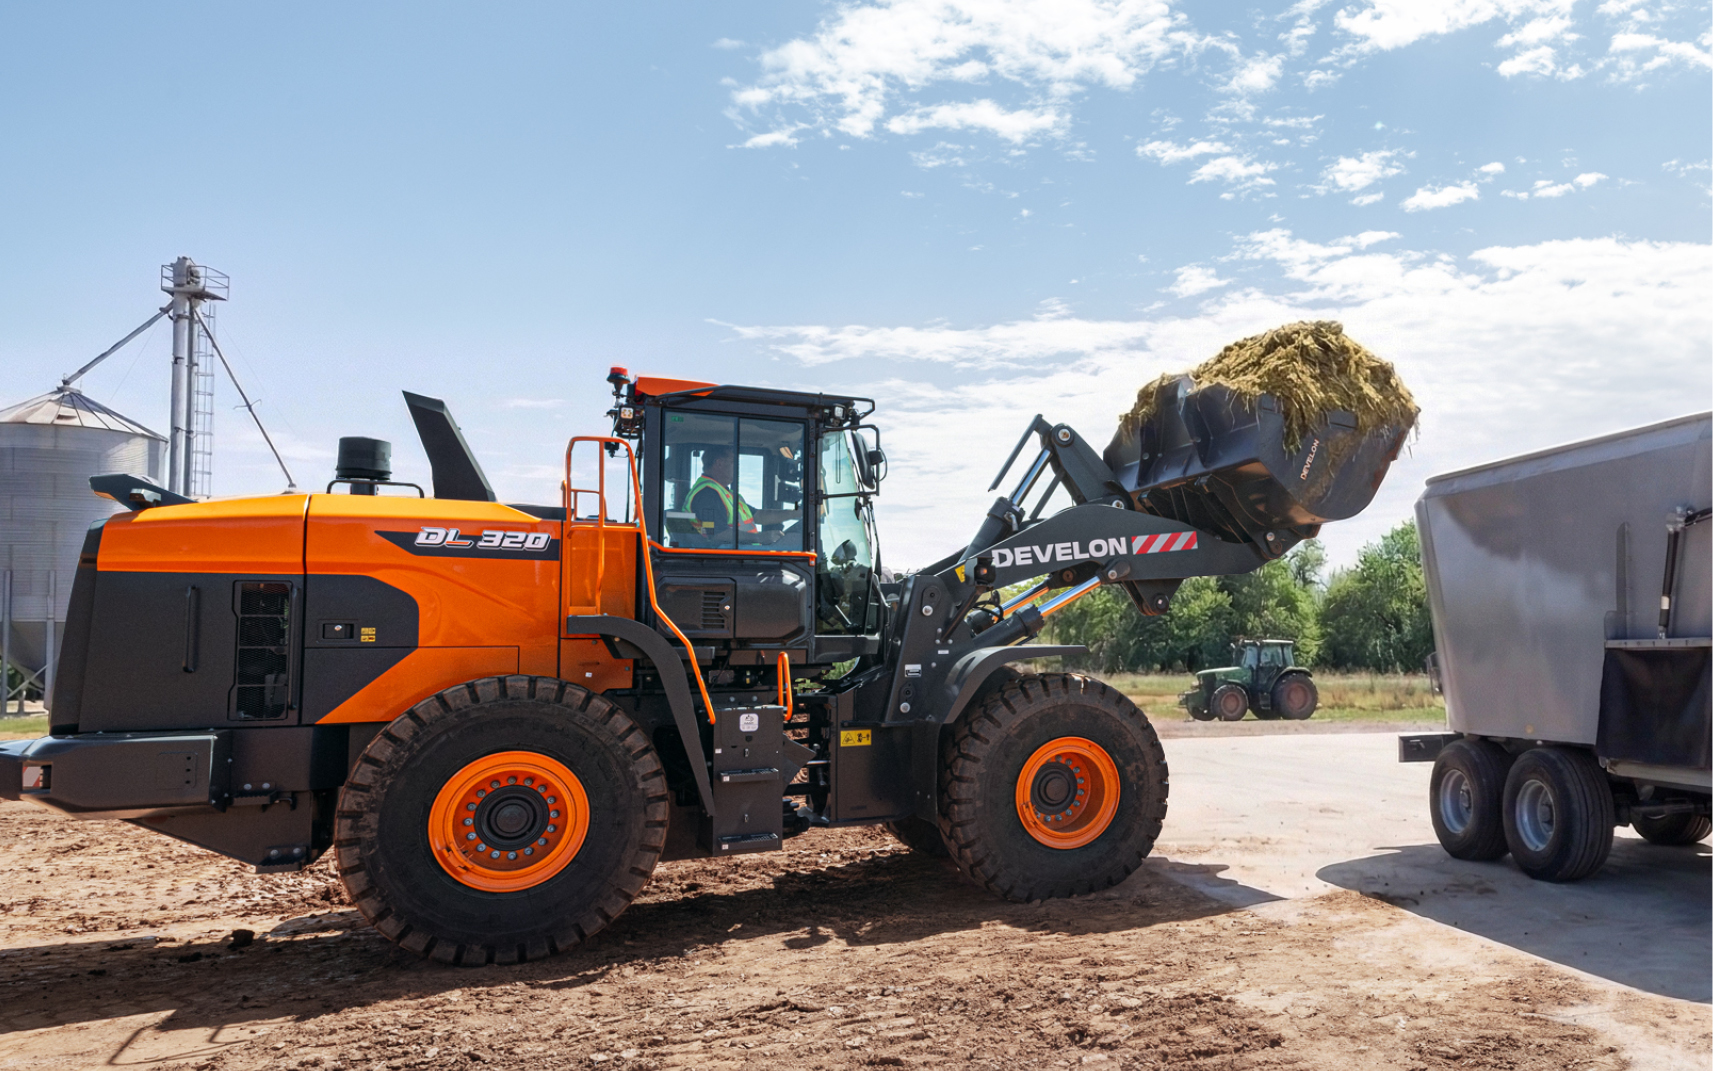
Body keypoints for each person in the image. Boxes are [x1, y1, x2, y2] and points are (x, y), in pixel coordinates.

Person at [687, 446, 761, 541]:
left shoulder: (725, 494)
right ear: (719, 464)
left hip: (742, 551)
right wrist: (760, 537)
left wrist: (786, 513)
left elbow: (758, 515)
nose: (737, 467)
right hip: (727, 554)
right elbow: (717, 535)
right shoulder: (708, 494)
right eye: (733, 462)